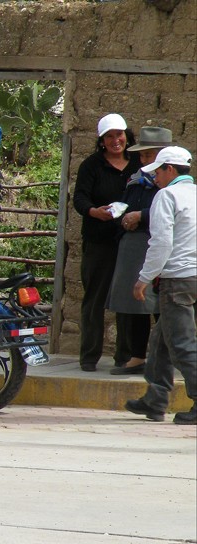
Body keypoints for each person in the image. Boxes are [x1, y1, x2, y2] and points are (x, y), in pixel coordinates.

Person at [124, 146, 196, 425]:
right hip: (193, 277)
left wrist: (143, 278)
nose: (154, 178)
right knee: (162, 340)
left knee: (181, 344)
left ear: (170, 169)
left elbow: (161, 242)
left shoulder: (167, 196)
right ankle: (155, 399)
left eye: (158, 171)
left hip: (176, 278)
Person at [72, 113, 141, 372]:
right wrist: (94, 212)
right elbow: (80, 198)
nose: (116, 141)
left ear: (127, 136)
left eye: (119, 135)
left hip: (129, 242)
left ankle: (125, 356)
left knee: (126, 299)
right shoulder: (92, 166)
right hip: (100, 242)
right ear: (101, 141)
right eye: (109, 136)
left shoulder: (136, 163)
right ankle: (89, 357)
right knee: (95, 299)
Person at [106, 127, 173, 375]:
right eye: (142, 156)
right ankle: (136, 357)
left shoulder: (170, 183)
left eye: (149, 156)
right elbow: (125, 206)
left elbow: (171, 214)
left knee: (158, 305)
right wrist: (123, 219)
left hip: (155, 246)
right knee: (135, 304)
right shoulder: (136, 180)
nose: (144, 161)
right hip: (132, 248)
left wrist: (141, 216)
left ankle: (163, 359)